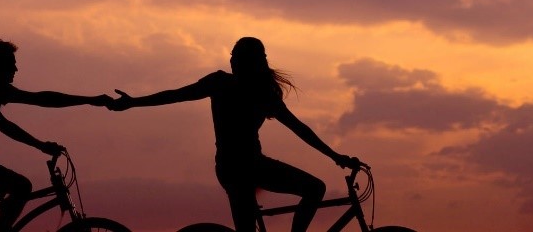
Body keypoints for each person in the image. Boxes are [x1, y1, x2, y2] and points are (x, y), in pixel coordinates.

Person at [108, 37, 358, 232]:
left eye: (237, 56)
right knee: (314, 189)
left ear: (249, 62)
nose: (231, 59)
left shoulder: (249, 90)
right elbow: (174, 95)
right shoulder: (233, 86)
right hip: (245, 167)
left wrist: (335, 155)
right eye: (232, 55)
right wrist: (134, 102)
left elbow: (300, 129)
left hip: (236, 167)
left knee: (308, 192)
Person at [0, 39, 113, 232]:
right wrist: (90, 100)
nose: (16, 69)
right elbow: (40, 100)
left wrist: (40, 145)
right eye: (11, 63)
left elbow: (5, 124)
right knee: (20, 187)